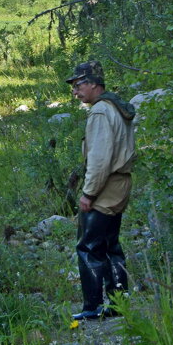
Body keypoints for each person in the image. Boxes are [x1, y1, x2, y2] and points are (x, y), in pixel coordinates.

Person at [65, 61, 136, 321]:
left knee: (89, 246)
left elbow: (99, 159)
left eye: (78, 85)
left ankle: (92, 307)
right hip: (119, 183)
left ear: (94, 84)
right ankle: (118, 303)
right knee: (110, 245)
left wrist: (89, 194)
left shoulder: (100, 112)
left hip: (105, 187)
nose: (75, 92)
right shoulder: (115, 106)